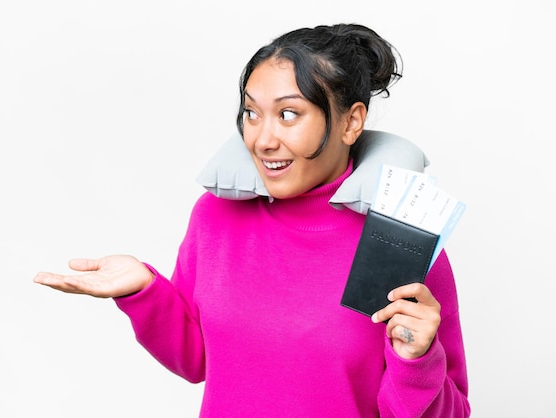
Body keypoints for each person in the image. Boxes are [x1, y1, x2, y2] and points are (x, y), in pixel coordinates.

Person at [34, 23, 470, 417]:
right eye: (251, 113)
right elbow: (196, 359)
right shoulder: (216, 218)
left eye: (287, 114)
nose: (262, 140)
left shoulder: (400, 243)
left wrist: (417, 359)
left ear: (351, 122)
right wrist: (144, 290)